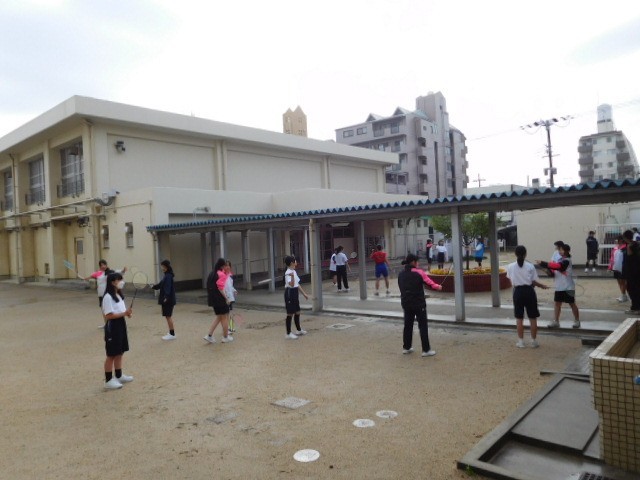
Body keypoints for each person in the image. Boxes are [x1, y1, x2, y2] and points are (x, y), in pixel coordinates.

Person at [397, 253, 442, 357]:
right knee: (422, 326)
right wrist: (438, 287)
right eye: (417, 261)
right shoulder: (419, 272)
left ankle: (406, 347)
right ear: (413, 262)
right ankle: (426, 350)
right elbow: (429, 283)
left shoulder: (401, 274)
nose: (418, 263)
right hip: (418, 303)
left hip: (406, 303)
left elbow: (401, 287)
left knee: (408, 325)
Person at [506, 246, 549, 348]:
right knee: (532, 318)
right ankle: (534, 341)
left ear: (515, 254)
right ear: (525, 254)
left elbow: (510, 279)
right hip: (529, 292)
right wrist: (542, 286)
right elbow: (533, 282)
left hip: (517, 292)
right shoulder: (530, 266)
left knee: (519, 318)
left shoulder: (510, 266)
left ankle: (521, 342)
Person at [101, 272, 133, 390]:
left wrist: (127, 314)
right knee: (112, 354)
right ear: (112, 282)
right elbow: (108, 315)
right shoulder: (107, 297)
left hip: (121, 324)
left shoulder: (118, 295)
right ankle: (108, 380)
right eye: (119, 280)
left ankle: (119, 375)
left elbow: (121, 311)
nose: (121, 282)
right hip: (113, 326)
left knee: (120, 351)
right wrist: (124, 313)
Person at [537, 244, 580, 329]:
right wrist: (547, 271)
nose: (559, 251)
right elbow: (553, 273)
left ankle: (577, 321)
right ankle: (556, 321)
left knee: (572, 304)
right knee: (557, 304)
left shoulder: (567, 260)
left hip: (568, 287)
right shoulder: (559, 260)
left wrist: (543, 263)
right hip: (559, 287)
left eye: (561, 250)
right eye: (559, 250)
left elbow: (559, 267)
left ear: (567, 251)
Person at [85, 259, 127, 327]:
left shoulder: (110, 272)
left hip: (108, 294)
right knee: (104, 310)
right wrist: (87, 278)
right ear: (99, 266)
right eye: (101, 265)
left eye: (104, 264)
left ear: (106, 265)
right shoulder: (98, 273)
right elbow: (92, 276)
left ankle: (113, 324)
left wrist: (123, 270)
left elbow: (118, 273)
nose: (103, 266)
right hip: (100, 294)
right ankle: (106, 324)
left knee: (112, 310)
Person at [204, 258, 233, 344]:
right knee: (224, 318)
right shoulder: (221, 274)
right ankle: (225, 337)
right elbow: (220, 288)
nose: (225, 267)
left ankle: (209, 335)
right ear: (221, 266)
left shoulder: (211, 274)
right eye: (224, 265)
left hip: (212, 300)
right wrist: (226, 298)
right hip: (220, 299)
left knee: (219, 317)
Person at [283, 256, 310, 339]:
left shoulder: (293, 271)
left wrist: (304, 294)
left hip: (295, 292)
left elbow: (297, 284)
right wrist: (291, 276)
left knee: (297, 311)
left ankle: (298, 330)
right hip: (289, 293)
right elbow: (291, 284)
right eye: (295, 261)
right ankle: (288, 333)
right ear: (292, 263)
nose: (296, 262)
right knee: (290, 313)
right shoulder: (288, 272)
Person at [151, 259, 177, 341]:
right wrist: (154, 286)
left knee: (168, 316)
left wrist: (166, 297)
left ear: (166, 267)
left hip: (168, 300)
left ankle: (172, 334)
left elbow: (168, 287)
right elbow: (160, 285)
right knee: (167, 316)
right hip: (168, 299)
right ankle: (171, 333)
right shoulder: (167, 275)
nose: (161, 268)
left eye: (162, 266)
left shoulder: (168, 276)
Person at [622, 230, 640, 315]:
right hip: (637, 271)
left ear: (626, 237)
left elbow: (629, 260)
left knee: (632, 289)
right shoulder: (636, 244)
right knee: (636, 289)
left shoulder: (630, 246)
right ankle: (635, 307)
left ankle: (636, 308)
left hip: (632, 272)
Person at [608, 236, 627, 303]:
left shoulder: (625, 247)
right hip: (616, 267)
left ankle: (624, 295)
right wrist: (610, 267)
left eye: (618, 240)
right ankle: (623, 295)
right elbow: (612, 258)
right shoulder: (615, 248)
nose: (616, 241)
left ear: (621, 240)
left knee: (623, 282)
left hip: (623, 268)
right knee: (619, 282)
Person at [224, 260, 238, 333]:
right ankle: (226, 329)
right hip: (225, 297)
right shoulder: (222, 276)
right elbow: (222, 288)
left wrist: (234, 290)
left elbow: (231, 286)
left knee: (230, 313)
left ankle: (231, 327)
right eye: (226, 265)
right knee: (226, 314)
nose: (228, 267)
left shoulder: (230, 276)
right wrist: (226, 297)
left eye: (229, 265)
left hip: (230, 297)